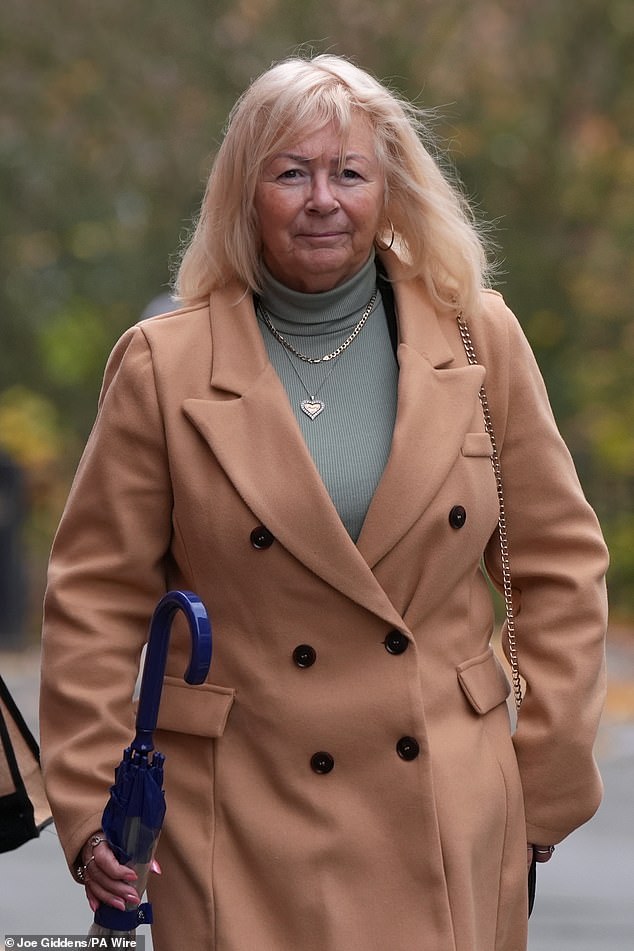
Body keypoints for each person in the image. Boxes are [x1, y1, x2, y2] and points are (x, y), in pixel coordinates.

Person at [40, 54, 608, 951]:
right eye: (291, 172)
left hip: (449, 806)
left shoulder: (476, 334)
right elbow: (95, 601)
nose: (322, 199)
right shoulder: (162, 364)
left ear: (389, 190)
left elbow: (560, 564)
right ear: (244, 191)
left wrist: (544, 778)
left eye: (349, 172)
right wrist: (90, 803)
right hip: (239, 810)